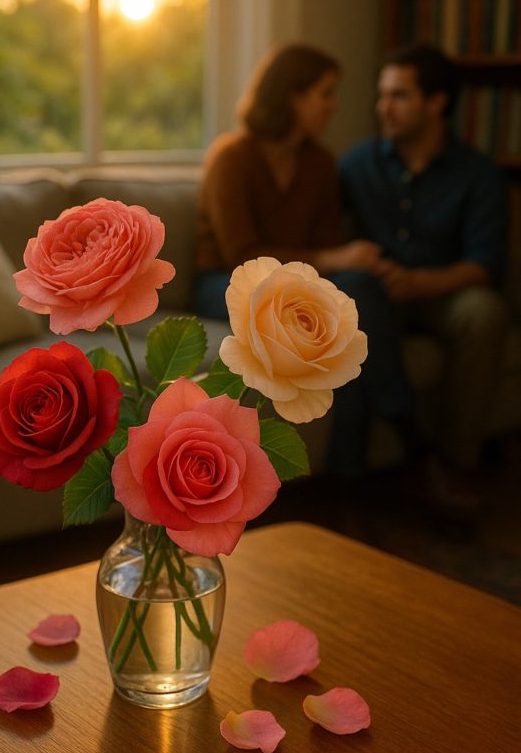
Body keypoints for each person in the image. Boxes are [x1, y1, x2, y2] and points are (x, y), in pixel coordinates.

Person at [331, 43, 509, 517]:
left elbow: (486, 263)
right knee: (355, 294)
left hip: (440, 291)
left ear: (437, 103)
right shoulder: (355, 164)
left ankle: (456, 464)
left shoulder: (477, 173)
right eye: (382, 95)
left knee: (484, 310)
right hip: (377, 292)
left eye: (400, 96)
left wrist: (421, 282)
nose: (383, 107)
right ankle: (402, 461)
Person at [194, 42, 381, 320]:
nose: (334, 105)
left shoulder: (320, 161)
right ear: (294, 97)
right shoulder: (231, 158)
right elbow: (241, 256)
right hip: (226, 281)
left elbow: (328, 242)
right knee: (279, 307)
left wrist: (348, 260)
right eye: (326, 93)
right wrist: (332, 259)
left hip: (297, 282)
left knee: (361, 287)